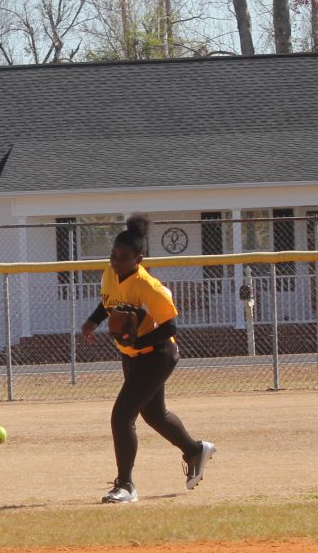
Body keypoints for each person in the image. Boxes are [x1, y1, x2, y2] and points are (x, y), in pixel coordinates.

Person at [80, 214, 216, 504]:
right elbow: (108, 304)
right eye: (114, 255)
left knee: (121, 417)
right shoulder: (109, 274)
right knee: (155, 415)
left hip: (158, 356)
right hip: (132, 356)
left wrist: (139, 341)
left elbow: (170, 327)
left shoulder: (148, 287)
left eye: (124, 257)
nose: (116, 261)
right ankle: (194, 450)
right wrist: (92, 321)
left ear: (139, 258)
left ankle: (125, 485)